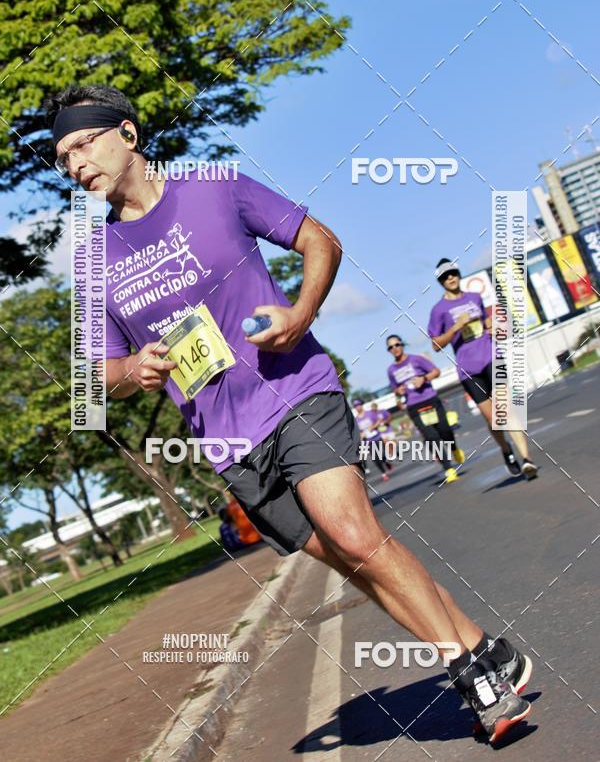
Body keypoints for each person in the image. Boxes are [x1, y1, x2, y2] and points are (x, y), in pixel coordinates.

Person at [46, 85, 532, 744]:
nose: (74, 164)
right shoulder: (93, 261)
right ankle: (487, 651)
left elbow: (318, 240)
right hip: (226, 442)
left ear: (127, 134)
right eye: (61, 157)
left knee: (354, 534)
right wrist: (133, 371)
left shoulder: (215, 189)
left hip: (294, 389)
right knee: (353, 559)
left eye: (83, 143)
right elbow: (97, 375)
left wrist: (301, 314)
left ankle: (472, 675)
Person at [428, 259, 538, 481]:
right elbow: (436, 345)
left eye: (453, 273)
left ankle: (527, 459)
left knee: (506, 410)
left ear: (458, 274)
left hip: (491, 356)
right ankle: (506, 450)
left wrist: (490, 325)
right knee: (493, 418)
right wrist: (455, 328)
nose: (451, 278)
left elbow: (488, 322)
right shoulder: (438, 310)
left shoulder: (474, 298)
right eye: (445, 276)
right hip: (468, 368)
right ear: (440, 282)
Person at [385, 334, 463, 483]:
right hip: (414, 406)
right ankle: (448, 468)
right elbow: (394, 388)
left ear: (402, 345)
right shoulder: (391, 370)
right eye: (390, 347)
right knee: (431, 437)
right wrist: (398, 393)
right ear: (388, 351)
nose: (394, 348)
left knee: (444, 430)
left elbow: (436, 371)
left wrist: (424, 378)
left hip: (430, 399)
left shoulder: (416, 359)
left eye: (397, 345)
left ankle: (454, 448)